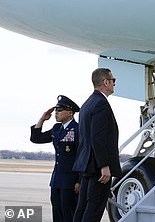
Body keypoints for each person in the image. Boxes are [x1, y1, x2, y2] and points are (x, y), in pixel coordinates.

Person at [72, 68, 121, 222]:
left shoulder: (87, 103)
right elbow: (97, 138)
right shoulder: (101, 104)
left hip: (87, 165)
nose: (114, 83)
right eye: (113, 80)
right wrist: (104, 166)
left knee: (82, 208)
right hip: (97, 168)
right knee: (94, 209)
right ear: (105, 82)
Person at [30, 95, 81, 222]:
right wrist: (42, 119)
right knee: (57, 212)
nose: (56, 113)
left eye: (60, 110)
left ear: (70, 113)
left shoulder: (77, 129)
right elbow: (36, 138)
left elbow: (81, 156)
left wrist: (79, 180)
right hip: (57, 179)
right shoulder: (57, 128)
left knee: (68, 213)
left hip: (71, 180)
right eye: (56, 110)